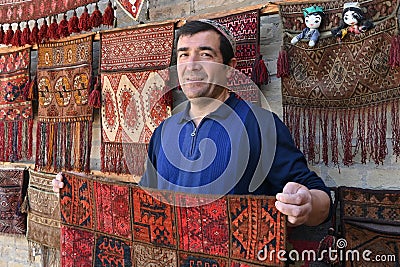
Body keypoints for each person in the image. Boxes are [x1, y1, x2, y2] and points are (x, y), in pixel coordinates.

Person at [53, 19, 331, 227]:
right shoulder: (164, 132)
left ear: (230, 67)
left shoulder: (261, 125)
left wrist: (306, 205)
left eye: (205, 54)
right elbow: (143, 203)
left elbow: (322, 201)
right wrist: (77, 192)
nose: (191, 65)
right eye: (183, 54)